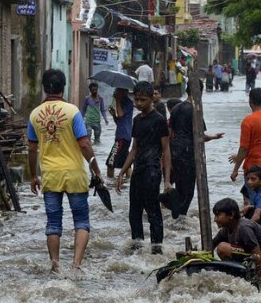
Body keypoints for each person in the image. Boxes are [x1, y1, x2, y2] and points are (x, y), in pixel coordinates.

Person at [28, 69, 104, 272]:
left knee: (53, 223)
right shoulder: (72, 112)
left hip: (50, 175)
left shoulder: (35, 115)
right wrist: (96, 170)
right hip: (75, 174)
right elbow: (85, 144)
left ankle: (55, 265)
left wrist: (33, 176)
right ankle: (75, 266)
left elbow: (32, 149)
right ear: (64, 87)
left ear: (44, 88)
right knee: (81, 221)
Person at [116, 82, 172, 253]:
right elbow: (134, 149)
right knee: (134, 211)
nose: (138, 103)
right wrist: (122, 172)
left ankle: (156, 249)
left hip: (152, 171)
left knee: (153, 211)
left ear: (151, 99)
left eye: (143, 100)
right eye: (137, 99)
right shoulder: (136, 120)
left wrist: (167, 180)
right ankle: (138, 247)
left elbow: (166, 150)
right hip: (138, 170)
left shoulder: (159, 120)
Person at [162, 80, 223, 219]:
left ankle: (174, 212)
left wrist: (168, 157)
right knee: (188, 191)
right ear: (199, 92)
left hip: (176, 151)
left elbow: (169, 135)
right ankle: (179, 218)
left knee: (180, 187)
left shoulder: (176, 108)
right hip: (189, 152)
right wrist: (212, 137)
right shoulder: (196, 111)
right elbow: (200, 137)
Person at [229, 88, 261, 193]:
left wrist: (235, 170)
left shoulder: (248, 121)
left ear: (250, 101)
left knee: (255, 203)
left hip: (254, 167)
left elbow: (244, 148)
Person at [212, 198, 261, 276]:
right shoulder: (225, 230)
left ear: (231, 215)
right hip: (249, 255)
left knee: (222, 248)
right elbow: (211, 245)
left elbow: (257, 254)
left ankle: (241, 272)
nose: (215, 219)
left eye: (218, 215)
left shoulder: (244, 228)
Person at [106, 86, 134, 179]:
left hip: (122, 137)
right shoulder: (124, 102)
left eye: (117, 90)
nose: (115, 92)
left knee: (110, 164)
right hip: (124, 136)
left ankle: (110, 185)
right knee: (126, 165)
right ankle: (128, 184)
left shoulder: (127, 103)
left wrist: (117, 100)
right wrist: (114, 115)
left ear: (123, 92)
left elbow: (121, 114)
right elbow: (120, 121)